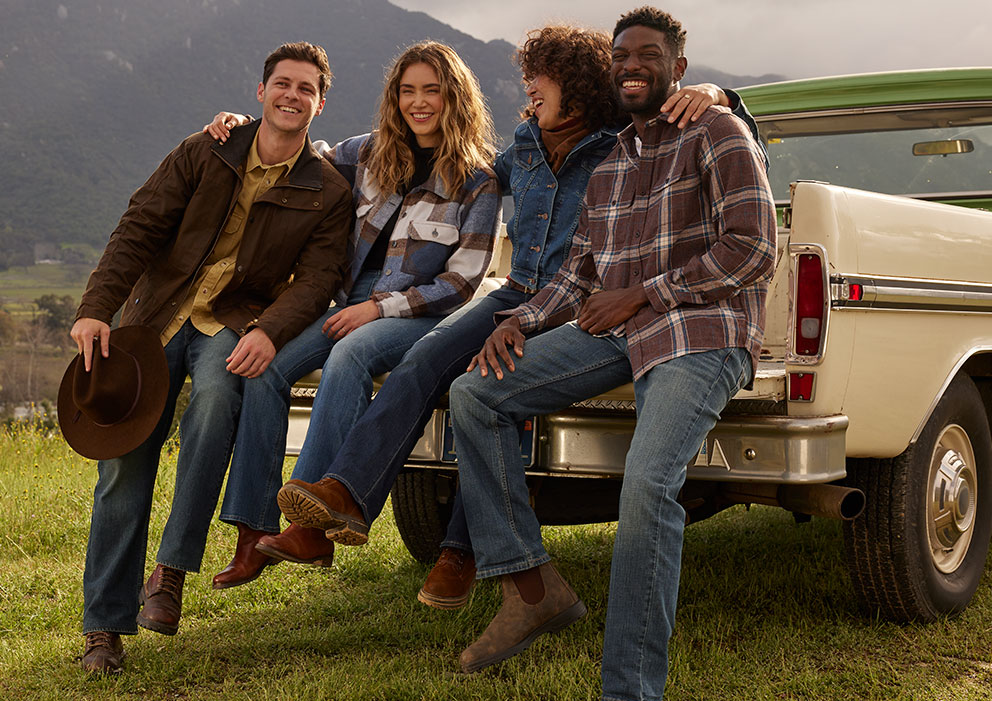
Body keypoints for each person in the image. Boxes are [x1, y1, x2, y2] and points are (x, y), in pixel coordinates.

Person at [263, 25, 757, 609]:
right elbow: (453, 169)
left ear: (571, 83)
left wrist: (722, 95)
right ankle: (347, 493)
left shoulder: (620, 141)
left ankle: (459, 550)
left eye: (536, 76)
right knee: (426, 358)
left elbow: (716, 134)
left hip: (572, 299)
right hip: (515, 292)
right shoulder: (521, 144)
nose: (527, 89)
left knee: (495, 380)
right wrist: (266, 135)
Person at [452, 7, 777, 701]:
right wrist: (522, 322)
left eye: (648, 55)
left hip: (700, 334)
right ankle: (532, 589)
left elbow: (754, 248)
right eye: (621, 55)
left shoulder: (717, 134)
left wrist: (645, 295)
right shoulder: (610, 163)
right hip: (617, 333)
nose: (632, 65)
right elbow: (579, 274)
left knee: (645, 487)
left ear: (677, 67)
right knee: (476, 394)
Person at [69, 42, 353, 676]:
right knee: (122, 466)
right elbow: (139, 226)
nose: (292, 96)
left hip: (232, 322)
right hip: (157, 316)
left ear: (320, 103)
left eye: (306, 89)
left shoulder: (326, 189)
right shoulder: (205, 149)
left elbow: (319, 278)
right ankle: (104, 629)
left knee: (218, 399)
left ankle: (169, 573)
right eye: (282, 84)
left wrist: (272, 330)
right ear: (260, 92)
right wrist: (97, 307)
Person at [199, 42, 501, 585]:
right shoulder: (365, 153)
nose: (419, 102)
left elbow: (461, 282)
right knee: (266, 364)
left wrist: (377, 308)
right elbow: (292, 152)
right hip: (347, 301)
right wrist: (244, 125)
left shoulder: (477, 178)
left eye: (431, 90)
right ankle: (250, 532)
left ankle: (311, 527)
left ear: (454, 96)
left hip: (420, 310)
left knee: (350, 356)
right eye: (407, 91)